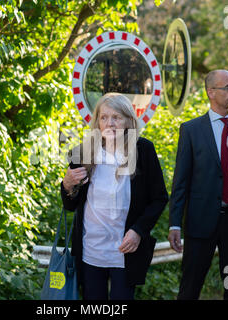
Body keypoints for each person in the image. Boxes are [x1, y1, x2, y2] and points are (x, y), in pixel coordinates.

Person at [60, 92, 168, 300]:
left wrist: (138, 231)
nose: (110, 123)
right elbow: (70, 205)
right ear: (97, 122)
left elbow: (159, 198)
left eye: (116, 117)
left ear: (128, 120)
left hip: (125, 250)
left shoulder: (143, 150)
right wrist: (67, 185)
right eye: (104, 117)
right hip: (90, 250)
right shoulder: (82, 152)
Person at [168, 70, 228, 300]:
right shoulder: (191, 130)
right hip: (201, 223)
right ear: (211, 92)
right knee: (191, 286)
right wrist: (174, 224)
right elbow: (181, 181)